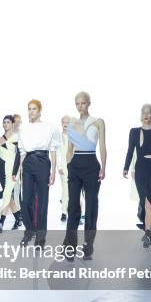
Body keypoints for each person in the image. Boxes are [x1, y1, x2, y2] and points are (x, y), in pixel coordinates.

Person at [63, 92, 107, 260]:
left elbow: (102, 146)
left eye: (82, 103)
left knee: (91, 206)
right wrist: (69, 163)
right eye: (77, 103)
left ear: (89, 103)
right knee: (73, 206)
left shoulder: (98, 122)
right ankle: (70, 247)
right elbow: (69, 148)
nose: (79, 106)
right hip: (75, 165)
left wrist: (103, 167)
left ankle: (88, 245)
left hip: (91, 165)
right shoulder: (72, 124)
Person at [123, 104, 151, 248]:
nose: (146, 115)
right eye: (144, 113)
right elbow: (130, 151)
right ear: (141, 115)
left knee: (150, 202)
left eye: (149, 113)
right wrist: (125, 167)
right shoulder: (134, 132)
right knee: (144, 202)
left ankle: (148, 233)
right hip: (140, 170)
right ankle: (150, 232)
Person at [17, 100, 61, 246]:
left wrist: (53, 171)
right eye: (29, 109)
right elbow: (22, 152)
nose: (31, 111)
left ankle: (41, 238)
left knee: (42, 201)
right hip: (28, 162)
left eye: (34, 109)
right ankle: (30, 231)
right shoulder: (23, 130)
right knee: (25, 201)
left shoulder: (50, 127)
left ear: (40, 110)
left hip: (43, 161)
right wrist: (21, 171)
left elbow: (53, 150)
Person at [0, 115, 22, 230]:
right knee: (8, 195)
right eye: (4, 122)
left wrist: (19, 170)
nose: (5, 124)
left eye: (8, 122)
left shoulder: (16, 138)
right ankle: (18, 217)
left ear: (13, 124)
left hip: (12, 169)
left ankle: (1, 221)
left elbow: (20, 156)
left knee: (7, 193)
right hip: (1, 169)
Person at [57, 116, 71, 222]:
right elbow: (56, 153)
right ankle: (63, 213)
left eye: (67, 122)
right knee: (65, 190)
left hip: (74, 167)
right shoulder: (58, 137)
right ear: (61, 123)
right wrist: (59, 166)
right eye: (64, 122)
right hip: (63, 167)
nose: (65, 124)